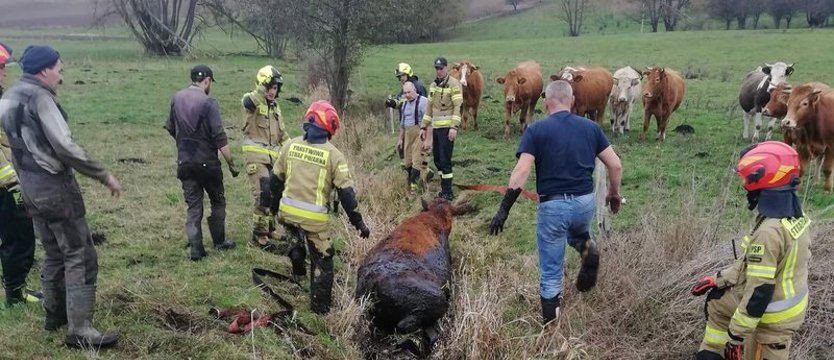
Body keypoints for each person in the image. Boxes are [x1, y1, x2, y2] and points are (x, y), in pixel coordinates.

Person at [0, 45, 121, 348]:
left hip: (29, 188)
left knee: (54, 253)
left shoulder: (8, 96)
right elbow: (64, 146)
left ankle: (54, 316)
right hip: (55, 189)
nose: (61, 76)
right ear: (44, 70)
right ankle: (80, 329)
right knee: (81, 254)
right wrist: (102, 174)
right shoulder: (40, 98)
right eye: (59, 69)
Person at [487, 80, 623, 324]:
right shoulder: (591, 128)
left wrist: (504, 209)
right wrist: (613, 195)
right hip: (584, 203)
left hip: (553, 206)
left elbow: (521, 171)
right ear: (572, 101)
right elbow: (615, 165)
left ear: (545, 102)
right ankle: (586, 246)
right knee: (576, 230)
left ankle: (551, 329)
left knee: (551, 272)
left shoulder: (536, 130)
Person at [690, 141, 810, 360]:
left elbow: (759, 291)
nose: (745, 185)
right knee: (718, 300)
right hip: (788, 304)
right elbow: (752, 265)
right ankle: (714, 352)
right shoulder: (793, 215)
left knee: (722, 307)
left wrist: (735, 336)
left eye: (746, 179)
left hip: (772, 315)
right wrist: (719, 279)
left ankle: (721, 351)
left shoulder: (768, 232)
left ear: (761, 180)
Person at [268, 100, 370, 314]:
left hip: (287, 212)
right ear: (331, 127)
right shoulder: (334, 155)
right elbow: (346, 194)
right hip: (314, 221)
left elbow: (275, 181)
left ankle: (296, 251)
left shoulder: (290, 145)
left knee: (293, 230)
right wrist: (359, 223)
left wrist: (274, 207)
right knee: (323, 262)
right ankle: (320, 308)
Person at [165, 65, 238, 261]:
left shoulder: (176, 98)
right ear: (207, 81)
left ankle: (196, 249)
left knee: (194, 206)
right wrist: (231, 163)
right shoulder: (209, 103)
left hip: (185, 162)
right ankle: (219, 241)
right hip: (208, 163)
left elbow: (171, 128)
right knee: (217, 200)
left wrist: (184, 144)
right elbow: (220, 137)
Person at [0, 42, 42, 307]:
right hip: (6, 185)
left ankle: (16, 289)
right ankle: (16, 294)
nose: (5, 72)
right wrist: (12, 180)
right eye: (1, 67)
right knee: (18, 236)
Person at [241, 65, 290, 251]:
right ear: (262, 86)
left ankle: (270, 229)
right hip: (256, 159)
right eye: (269, 87)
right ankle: (259, 235)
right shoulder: (252, 102)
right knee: (263, 194)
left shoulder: (275, 107)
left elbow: (283, 135)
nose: (272, 92)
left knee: (274, 194)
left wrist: (293, 150)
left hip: (273, 160)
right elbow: (248, 100)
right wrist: (261, 90)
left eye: (275, 88)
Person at [420, 56, 463, 200]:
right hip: (436, 128)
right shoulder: (433, 86)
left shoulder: (454, 84)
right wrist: (423, 127)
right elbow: (429, 108)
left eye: (441, 68)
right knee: (437, 160)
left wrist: (454, 127)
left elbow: (458, 106)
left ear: (446, 68)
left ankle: (448, 192)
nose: (438, 71)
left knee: (445, 161)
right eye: (436, 68)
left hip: (447, 129)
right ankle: (444, 188)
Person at [397, 82, 428, 193]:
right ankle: (414, 181)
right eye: (405, 93)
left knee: (417, 160)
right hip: (407, 134)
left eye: (409, 92)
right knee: (408, 161)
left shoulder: (423, 101)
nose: (407, 95)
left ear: (414, 90)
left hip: (419, 133)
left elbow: (428, 121)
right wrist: (400, 139)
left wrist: (427, 138)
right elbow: (402, 123)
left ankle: (416, 187)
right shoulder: (404, 103)